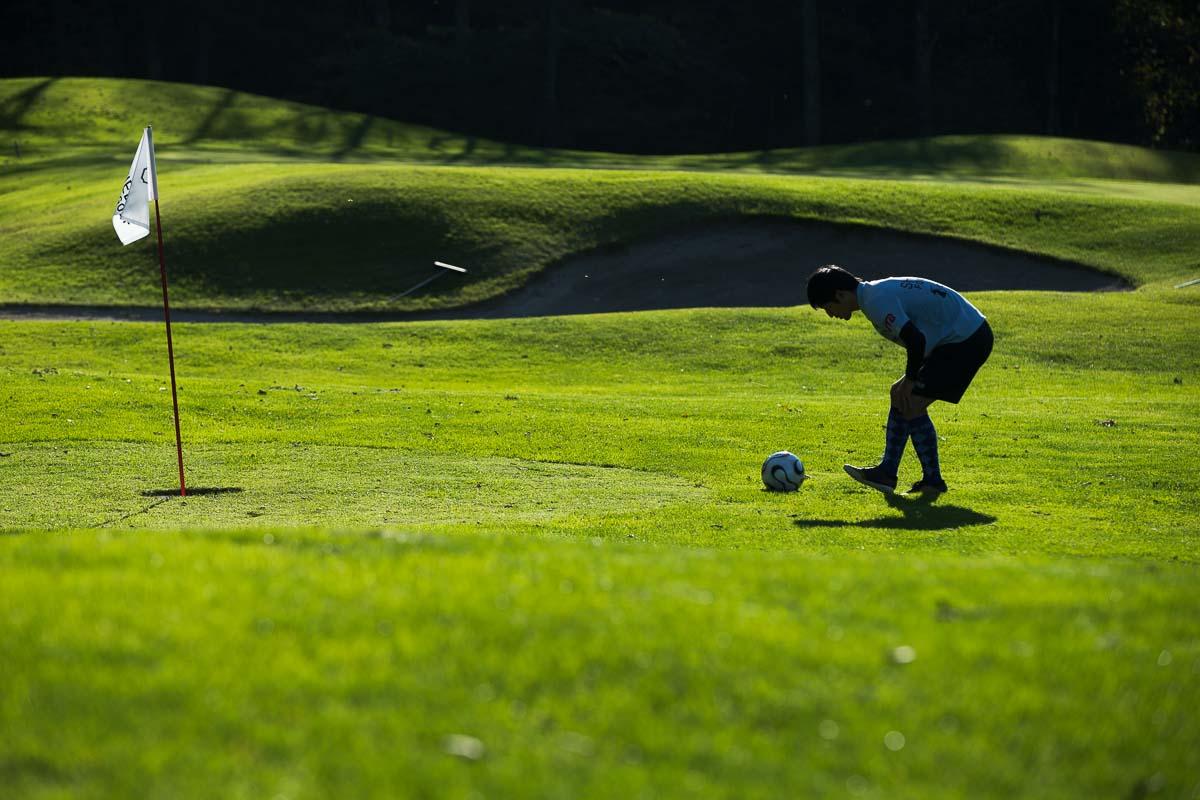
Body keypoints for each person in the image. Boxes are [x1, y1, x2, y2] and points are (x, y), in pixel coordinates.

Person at [806, 265, 993, 494]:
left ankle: (931, 481)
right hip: (959, 337)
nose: (830, 314)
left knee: (912, 402)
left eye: (828, 307)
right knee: (899, 394)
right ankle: (889, 473)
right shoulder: (873, 294)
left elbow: (915, 340)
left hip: (966, 339)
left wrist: (912, 379)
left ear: (840, 295)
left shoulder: (875, 302)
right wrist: (910, 379)